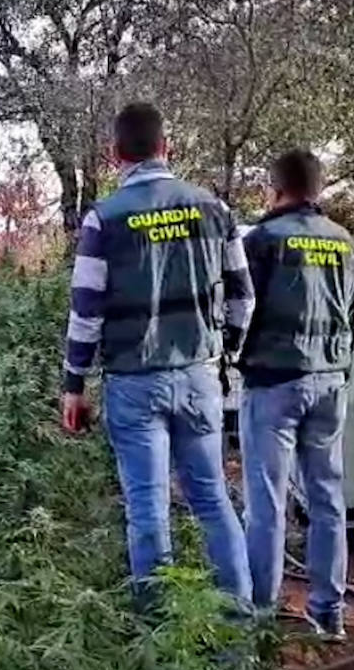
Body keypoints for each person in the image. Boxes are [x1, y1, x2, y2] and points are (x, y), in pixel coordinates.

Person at [60, 101, 253, 611]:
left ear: (113, 154)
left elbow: (86, 312)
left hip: (133, 382)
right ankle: (240, 629)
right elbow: (243, 298)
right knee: (212, 500)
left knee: (148, 510)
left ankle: (160, 639)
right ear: (167, 148)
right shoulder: (215, 209)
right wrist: (223, 352)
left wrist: (73, 385)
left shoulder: (104, 219)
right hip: (198, 378)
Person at [237, 149, 354, 641]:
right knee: (326, 499)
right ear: (318, 188)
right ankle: (328, 613)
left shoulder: (261, 241)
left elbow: (237, 310)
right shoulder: (348, 245)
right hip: (329, 385)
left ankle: (259, 617)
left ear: (274, 188)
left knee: (267, 504)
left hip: (272, 385)